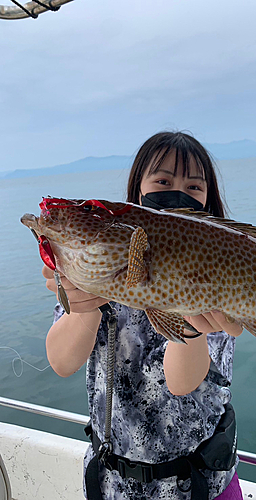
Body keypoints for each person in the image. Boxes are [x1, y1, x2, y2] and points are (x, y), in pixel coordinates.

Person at [43, 131, 244, 500]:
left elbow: (182, 382)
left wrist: (190, 315)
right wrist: (88, 299)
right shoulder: (105, 253)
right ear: (137, 188)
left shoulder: (219, 264)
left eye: (194, 187)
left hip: (200, 486)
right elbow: (61, 361)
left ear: (207, 200)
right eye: (163, 181)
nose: (176, 192)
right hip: (113, 485)